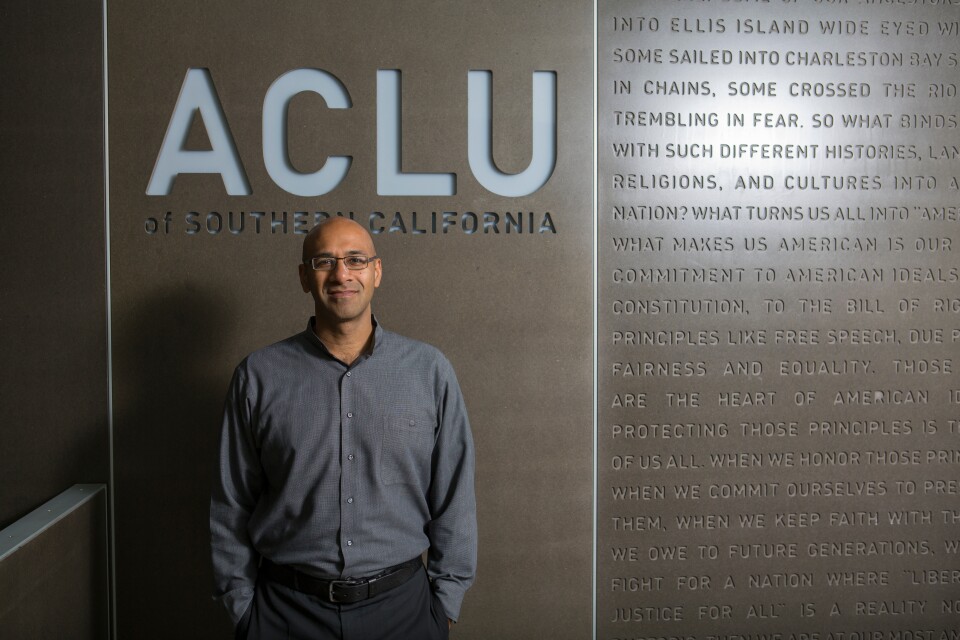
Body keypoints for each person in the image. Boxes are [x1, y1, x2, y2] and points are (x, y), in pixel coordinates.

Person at [211, 217, 477, 639]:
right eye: (324, 261)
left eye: (355, 259)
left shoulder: (429, 372)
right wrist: (243, 608)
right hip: (284, 614)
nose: (341, 274)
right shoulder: (257, 376)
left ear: (376, 271)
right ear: (304, 276)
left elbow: (454, 496)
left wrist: (443, 606)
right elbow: (231, 502)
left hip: (404, 613)